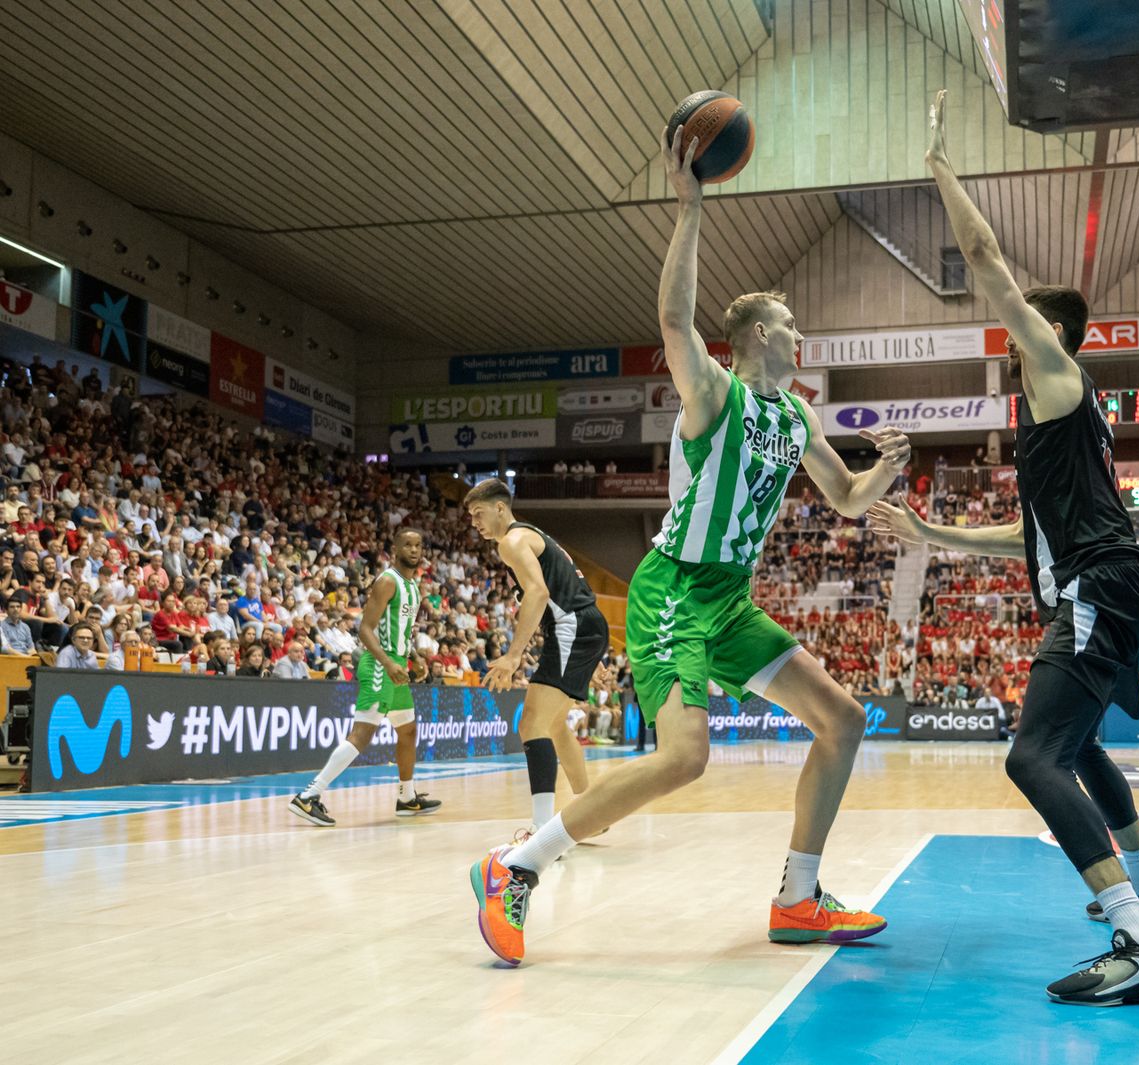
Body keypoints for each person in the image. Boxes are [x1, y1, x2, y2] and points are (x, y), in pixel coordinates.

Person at [470, 124, 910, 967]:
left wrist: (884, 469)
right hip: (672, 587)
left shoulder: (797, 417)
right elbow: (673, 315)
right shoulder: (714, 394)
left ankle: (798, 898)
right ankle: (513, 866)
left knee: (843, 720)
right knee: (686, 757)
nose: (799, 334)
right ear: (754, 340)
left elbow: (848, 499)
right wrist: (690, 209)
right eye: (788, 325)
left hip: (730, 599)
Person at [864, 91, 1139, 1007]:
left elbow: (985, 258)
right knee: (1080, 749)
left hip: (1101, 588)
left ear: (1048, 335)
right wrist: (933, 532)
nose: (1011, 334)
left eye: (1023, 324)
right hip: (1100, 581)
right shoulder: (1057, 422)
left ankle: (1138, 944)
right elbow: (1027, 535)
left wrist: (936, 164)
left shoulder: (1055, 374)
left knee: (1031, 757)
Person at [464, 477, 610, 834]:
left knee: (531, 724)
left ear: (500, 508)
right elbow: (569, 589)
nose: (475, 522)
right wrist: (594, 653)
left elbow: (539, 593)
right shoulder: (531, 535)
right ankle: (591, 817)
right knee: (555, 725)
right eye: (470, 517)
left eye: (479, 513)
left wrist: (514, 656)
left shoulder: (512, 541)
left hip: (572, 629)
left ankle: (542, 831)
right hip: (582, 627)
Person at [290, 529, 441, 826]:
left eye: (417, 545)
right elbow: (366, 630)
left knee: (408, 729)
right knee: (363, 734)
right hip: (379, 663)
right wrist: (388, 662)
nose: (413, 549)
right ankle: (308, 796)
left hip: (396, 662)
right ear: (395, 549)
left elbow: (397, 631)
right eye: (406, 545)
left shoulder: (413, 586)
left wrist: (414, 657)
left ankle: (407, 797)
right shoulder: (387, 581)